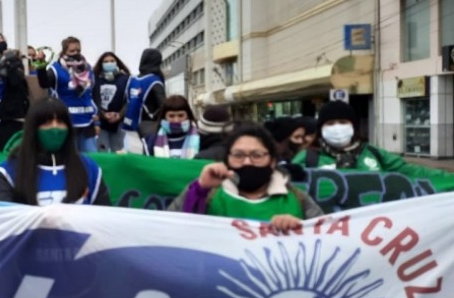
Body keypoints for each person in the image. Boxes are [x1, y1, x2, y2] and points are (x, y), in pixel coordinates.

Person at [167, 124, 322, 230]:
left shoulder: (298, 198)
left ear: (273, 161)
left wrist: (300, 229)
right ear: (227, 159)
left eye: (257, 155)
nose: (247, 162)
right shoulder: (207, 193)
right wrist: (200, 189)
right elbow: (169, 230)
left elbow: (325, 237)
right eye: (238, 155)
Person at [0, 97, 110, 206]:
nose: (54, 127)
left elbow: (103, 219)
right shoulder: (9, 171)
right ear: (33, 129)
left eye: (60, 122)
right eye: (46, 122)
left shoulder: (89, 169)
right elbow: (2, 218)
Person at [293, 101, 454, 179]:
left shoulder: (373, 153)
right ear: (321, 129)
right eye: (330, 123)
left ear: (353, 127)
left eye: (343, 122)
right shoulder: (308, 158)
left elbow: (414, 172)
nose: (337, 127)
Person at [35, 36, 98, 152]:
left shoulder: (87, 68)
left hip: (87, 122)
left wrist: (97, 120)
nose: (75, 53)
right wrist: (41, 65)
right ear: (64, 51)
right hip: (66, 122)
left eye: (78, 50)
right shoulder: (56, 69)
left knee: (91, 158)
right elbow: (44, 83)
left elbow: (93, 93)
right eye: (72, 51)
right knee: (69, 158)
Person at [122, 48, 166, 142]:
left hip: (130, 122)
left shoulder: (132, 80)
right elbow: (164, 106)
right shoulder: (155, 81)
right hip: (149, 125)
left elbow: (126, 102)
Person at [92, 51, 130, 152]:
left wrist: (120, 114)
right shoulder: (95, 79)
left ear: (117, 62)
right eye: (106, 61)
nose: (109, 63)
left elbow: (129, 100)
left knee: (118, 150)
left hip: (119, 123)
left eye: (112, 61)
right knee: (102, 150)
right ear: (101, 64)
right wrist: (103, 114)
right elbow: (92, 99)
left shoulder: (126, 79)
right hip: (101, 122)